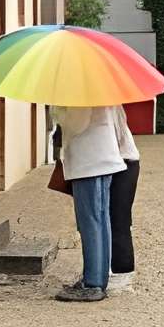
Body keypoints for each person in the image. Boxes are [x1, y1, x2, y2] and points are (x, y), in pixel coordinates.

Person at [51, 98, 133, 302]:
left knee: (91, 224)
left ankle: (93, 283)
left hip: (90, 162)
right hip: (99, 160)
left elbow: (77, 123)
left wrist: (57, 110)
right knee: (99, 222)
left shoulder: (80, 90)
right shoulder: (98, 86)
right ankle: (97, 278)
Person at [109, 109, 142, 280]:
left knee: (119, 220)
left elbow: (114, 136)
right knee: (115, 220)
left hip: (125, 164)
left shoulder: (112, 107)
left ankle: (123, 273)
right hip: (119, 164)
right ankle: (115, 269)